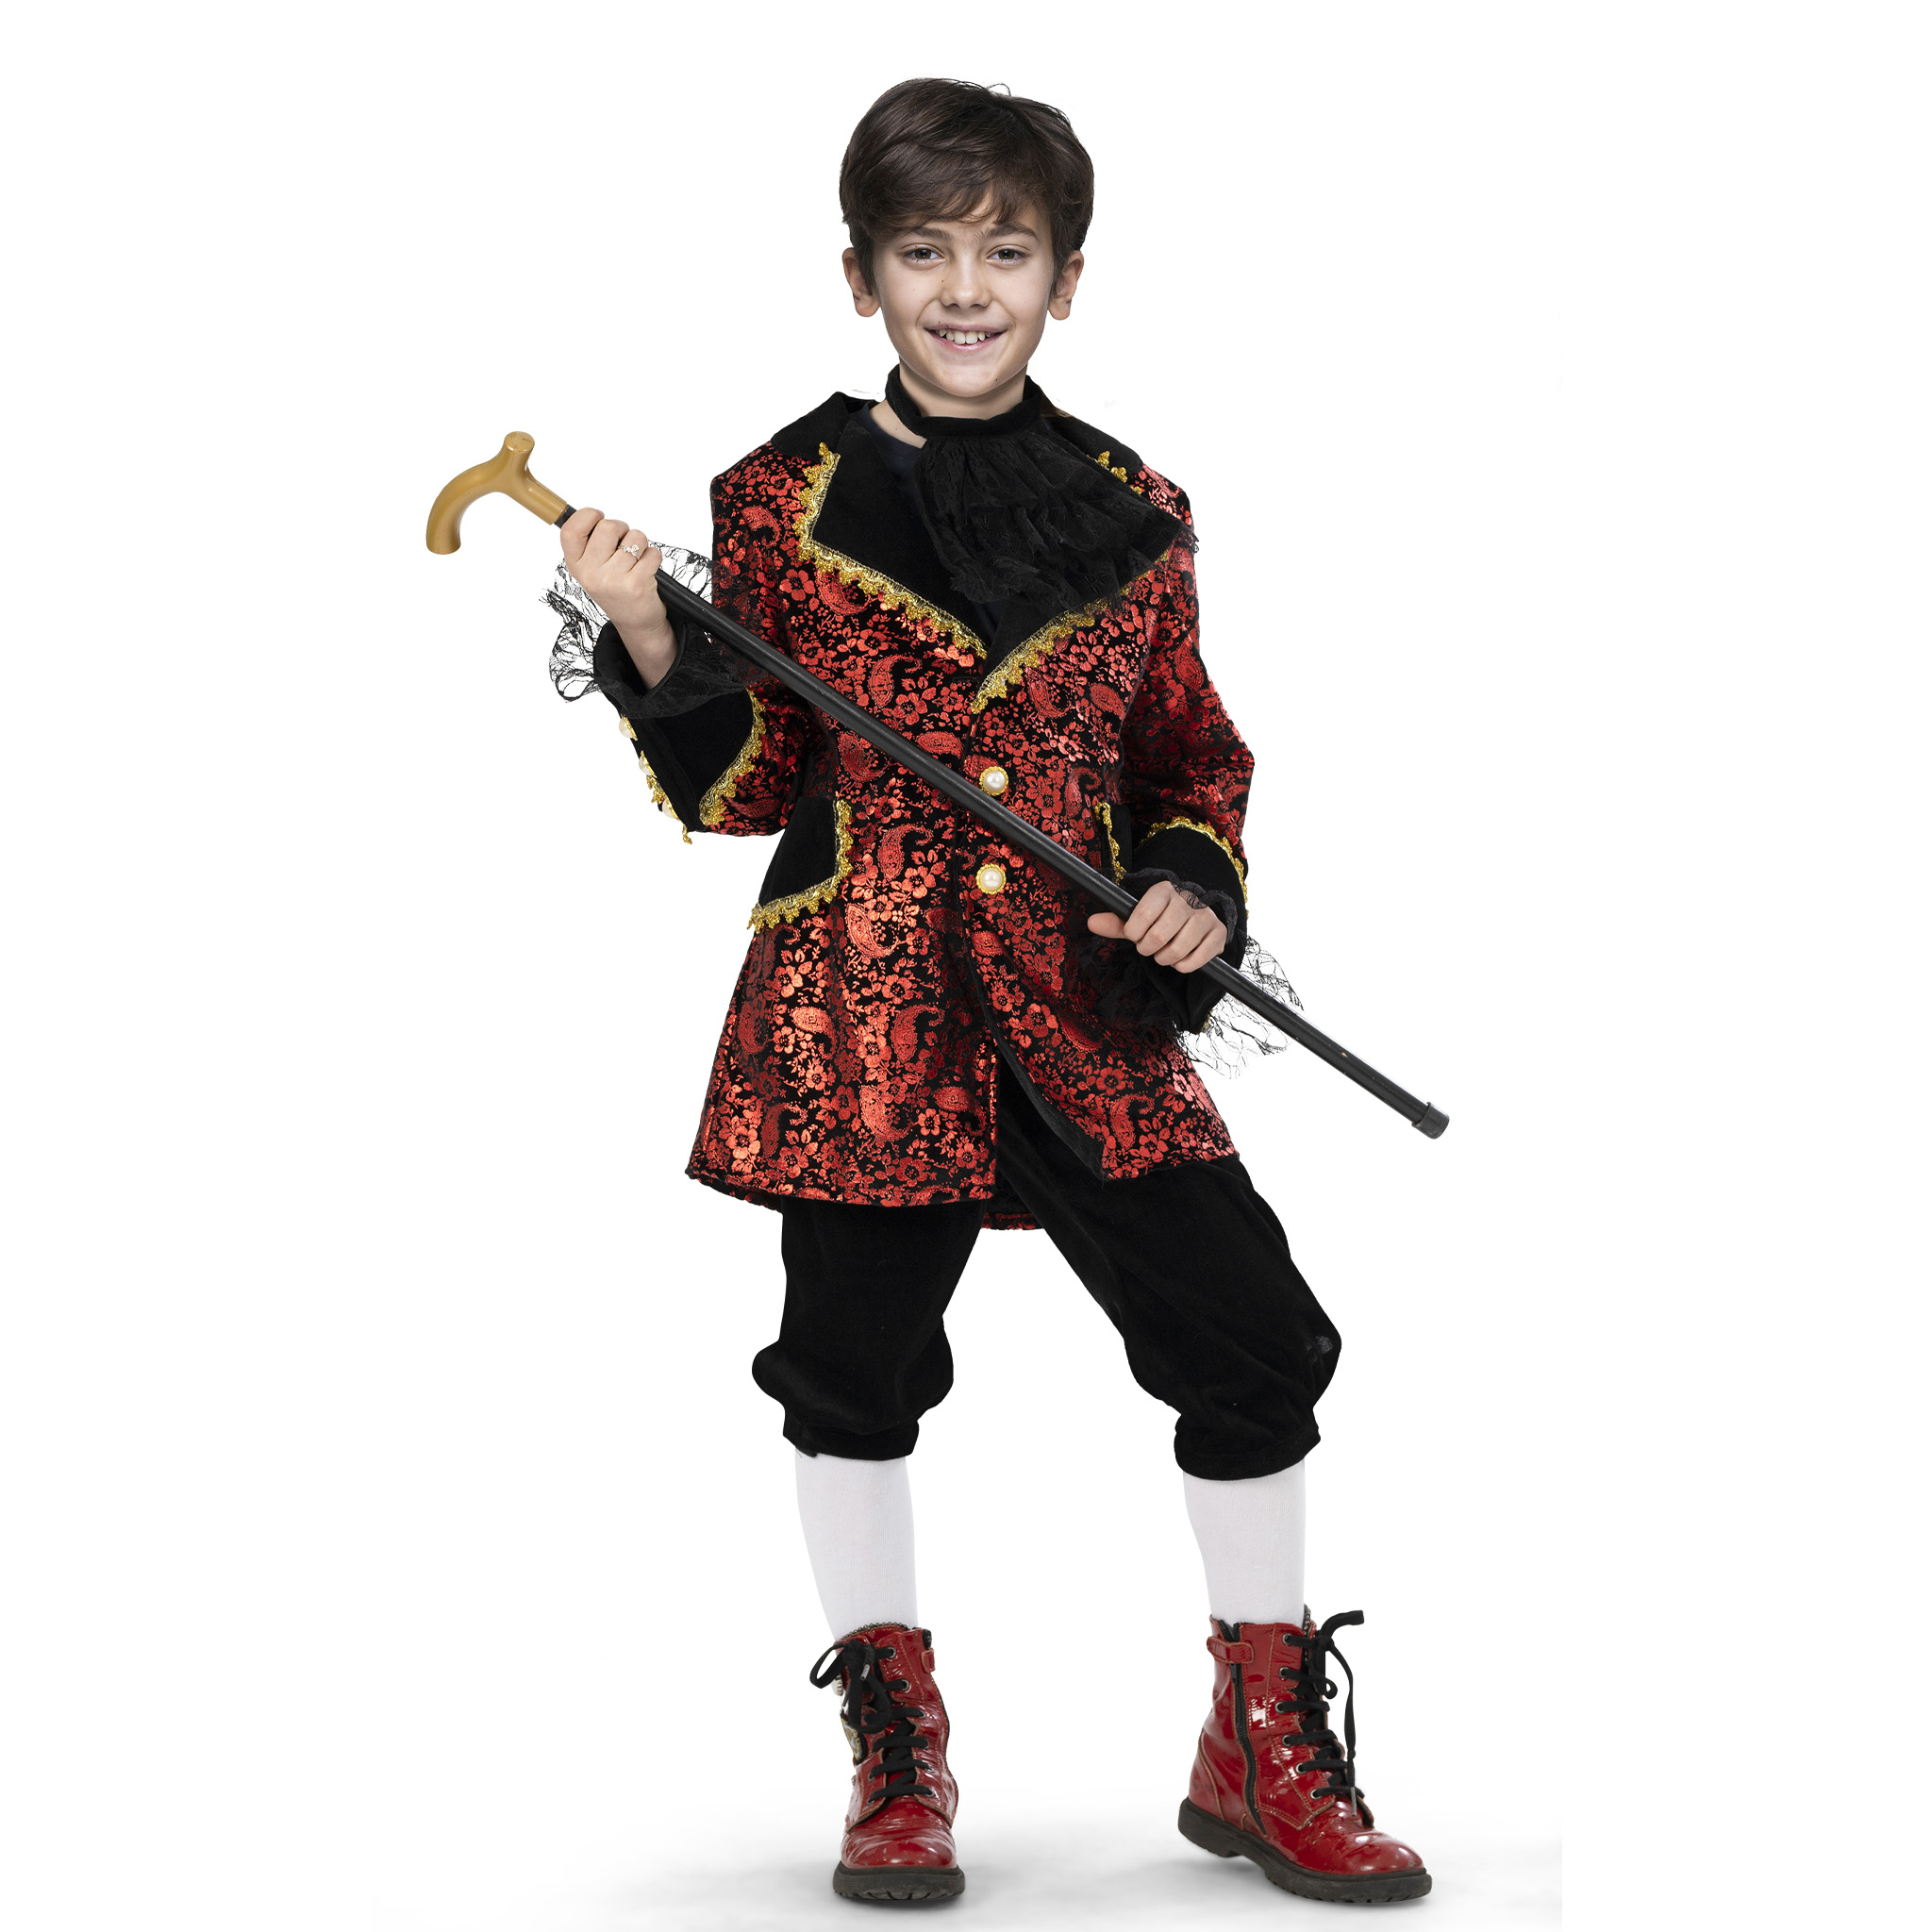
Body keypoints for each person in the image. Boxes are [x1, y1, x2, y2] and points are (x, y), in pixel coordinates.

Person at [556, 77, 1429, 1908]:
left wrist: (1190, 883)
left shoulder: (1136, 509)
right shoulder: (779, 497)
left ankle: (1255, 1736)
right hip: (861, 1013)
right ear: (861, 277)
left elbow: (1187, 755)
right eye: (924, 252)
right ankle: (897, 1750)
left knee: (1255, 1343)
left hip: (1082, 1003)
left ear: (1067, 279)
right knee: (852, 1373)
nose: (966, 289)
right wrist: (646, 633)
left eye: (1007, 252)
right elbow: (749, 788)